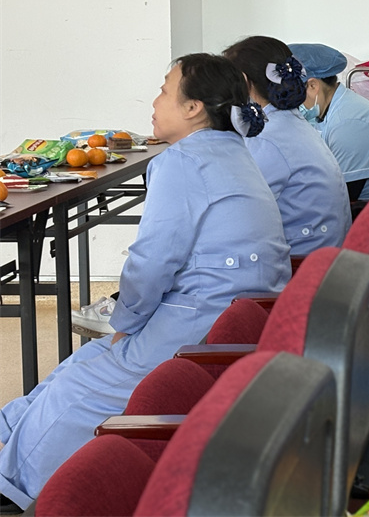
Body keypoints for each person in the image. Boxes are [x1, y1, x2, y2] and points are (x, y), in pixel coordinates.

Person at [0, 54, 292, 512]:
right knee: (84, 360)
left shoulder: (183, 161)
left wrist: (126, 322)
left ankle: (14, 487)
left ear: (193, 107)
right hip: (235, 315)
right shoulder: (231, 150)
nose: (154, 102)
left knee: (82, 385)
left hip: (204, 324)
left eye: (163, 90)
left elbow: (152, 262)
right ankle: (8, 433)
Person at [223, 36, 351, 255]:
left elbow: (236, 214)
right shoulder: (287, 122)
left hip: (303, 262)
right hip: (325, 252)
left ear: (243, 82)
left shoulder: (267, 138)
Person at [288, 43, 369, 202]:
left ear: (313, 86)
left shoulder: (347, 121)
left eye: (293, 93)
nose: (290, 101)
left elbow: (344, 196)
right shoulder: (329, 109)